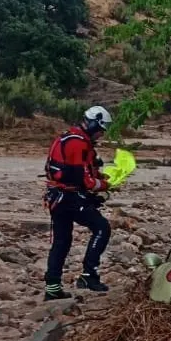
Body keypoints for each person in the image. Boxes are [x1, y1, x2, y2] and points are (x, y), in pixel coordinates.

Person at [42, 105, 113, 300]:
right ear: (92, 124)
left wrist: (97, 182)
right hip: (67, 198)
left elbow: (82, 173)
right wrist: (106, 185)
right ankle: (89, 275)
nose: (100, 135)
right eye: (100, 130)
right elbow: (85, 180)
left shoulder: (69, 138)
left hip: (58, 197)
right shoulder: (78, 143)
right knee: (102, 228)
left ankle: (53, 288)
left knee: (62, 241)